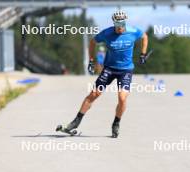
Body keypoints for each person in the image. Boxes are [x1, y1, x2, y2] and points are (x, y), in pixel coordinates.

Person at [56, 10, 149, 138]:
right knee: (94, 94)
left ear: (125, 24)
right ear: (114, 24)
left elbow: (144, 36)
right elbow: (92, 42)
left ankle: (116, 123)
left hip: (125, 70)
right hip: (109, 69)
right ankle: (75, 122)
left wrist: (143, 53)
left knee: (122, 98)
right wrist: (92, 60)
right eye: (117, 26)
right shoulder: (107, 33)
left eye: (122, 26)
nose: (120, 29)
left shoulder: (133, 31)